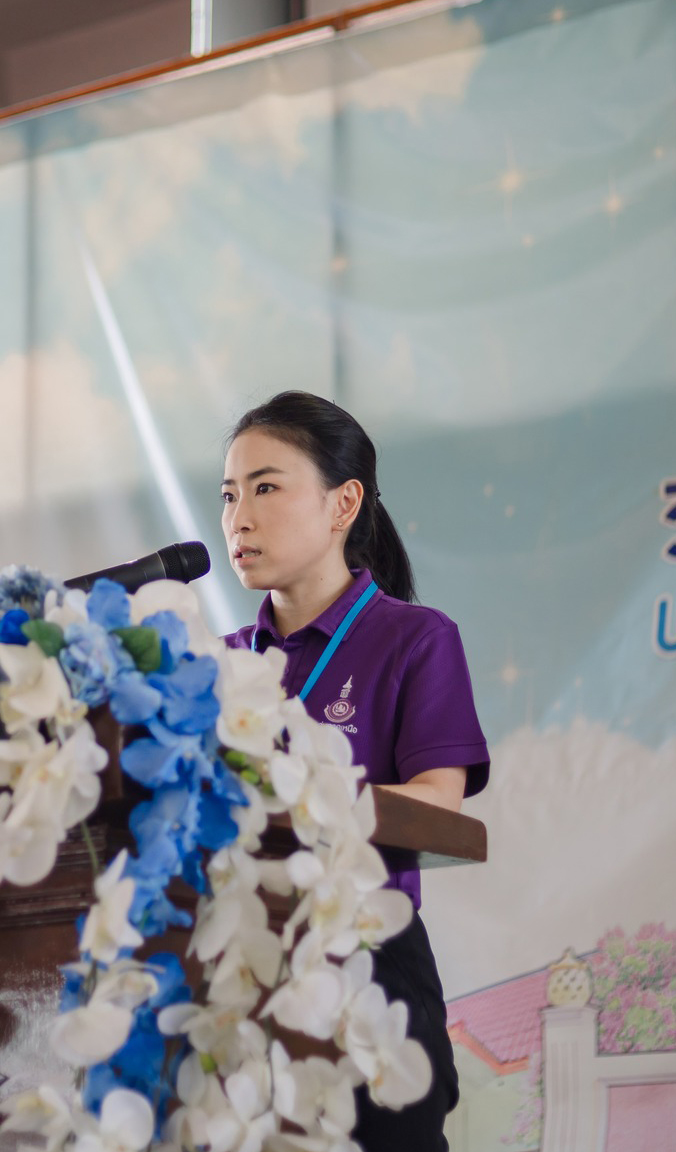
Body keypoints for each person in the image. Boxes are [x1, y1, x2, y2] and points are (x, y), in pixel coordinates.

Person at [219, 390, 490, 1152]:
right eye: (229, 494)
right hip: (240, 973)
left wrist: (286, 796)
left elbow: (441, 803)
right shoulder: (218, 665)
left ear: (344, 504)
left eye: (266, 487)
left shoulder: (415, 639)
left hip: (368, 965)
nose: (240, 516)